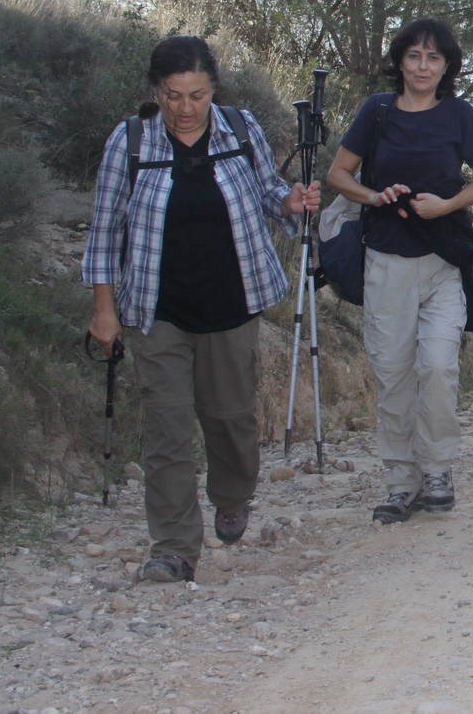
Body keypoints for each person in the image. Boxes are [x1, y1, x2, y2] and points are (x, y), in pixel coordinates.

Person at [83, 35, 320, 583]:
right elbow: (105, 230)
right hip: (157, 311)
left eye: (197, 95)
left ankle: (232, 496)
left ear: (214, 89)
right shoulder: (130, 141)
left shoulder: (240, 129)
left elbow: (267, 192)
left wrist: (289, 202)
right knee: (167, 431)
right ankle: (173, 548)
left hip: (233, 305)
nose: (185, 108)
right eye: (172, 95)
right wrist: (104, 310)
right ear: (156, 91)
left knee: (231, 420)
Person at [324, 17, 473, 523]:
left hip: (443, 263)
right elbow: (338, 173)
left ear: (447, 67)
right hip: (385, 263)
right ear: (400, 60)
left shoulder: (459, 115)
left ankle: (438, 470)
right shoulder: (376, 111)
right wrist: (373, 196)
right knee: (393, 375)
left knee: (439, 367)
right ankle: (402, 481)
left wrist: (445, 205)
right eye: (415, 56)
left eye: (434, 58)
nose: (423, 66)